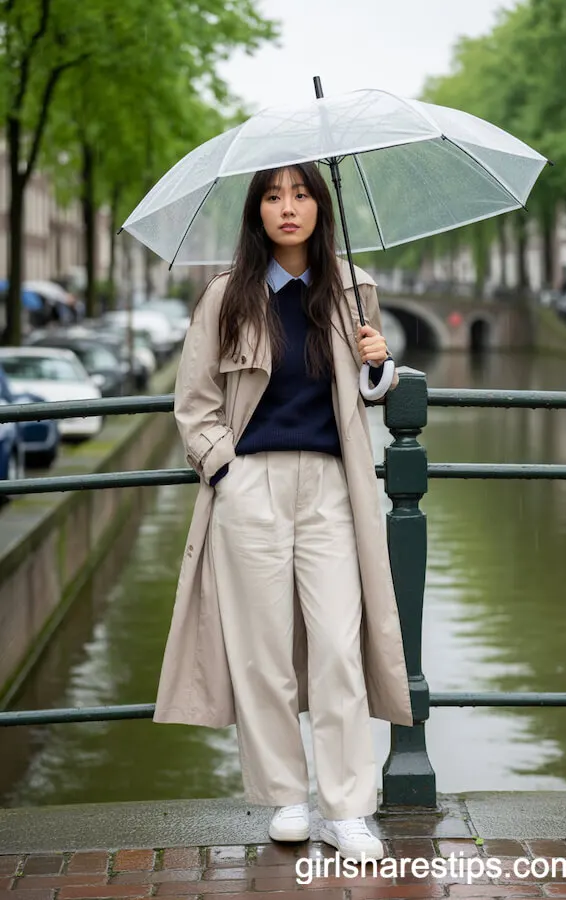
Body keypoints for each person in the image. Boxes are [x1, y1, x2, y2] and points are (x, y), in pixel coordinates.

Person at [153, 161, 413, 859]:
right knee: (263, 653)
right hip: (251, 486)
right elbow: (195, 405)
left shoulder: (355, 290)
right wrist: (226, 471)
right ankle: (286, 798)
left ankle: (348, 808)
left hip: (332, 487)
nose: (288, 207)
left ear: (320, 208)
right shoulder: (225, 297)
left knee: (336, 647)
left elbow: (368, 392)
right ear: (257, 212)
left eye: (300, 195)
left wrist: (379, 363)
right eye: (273, 196)